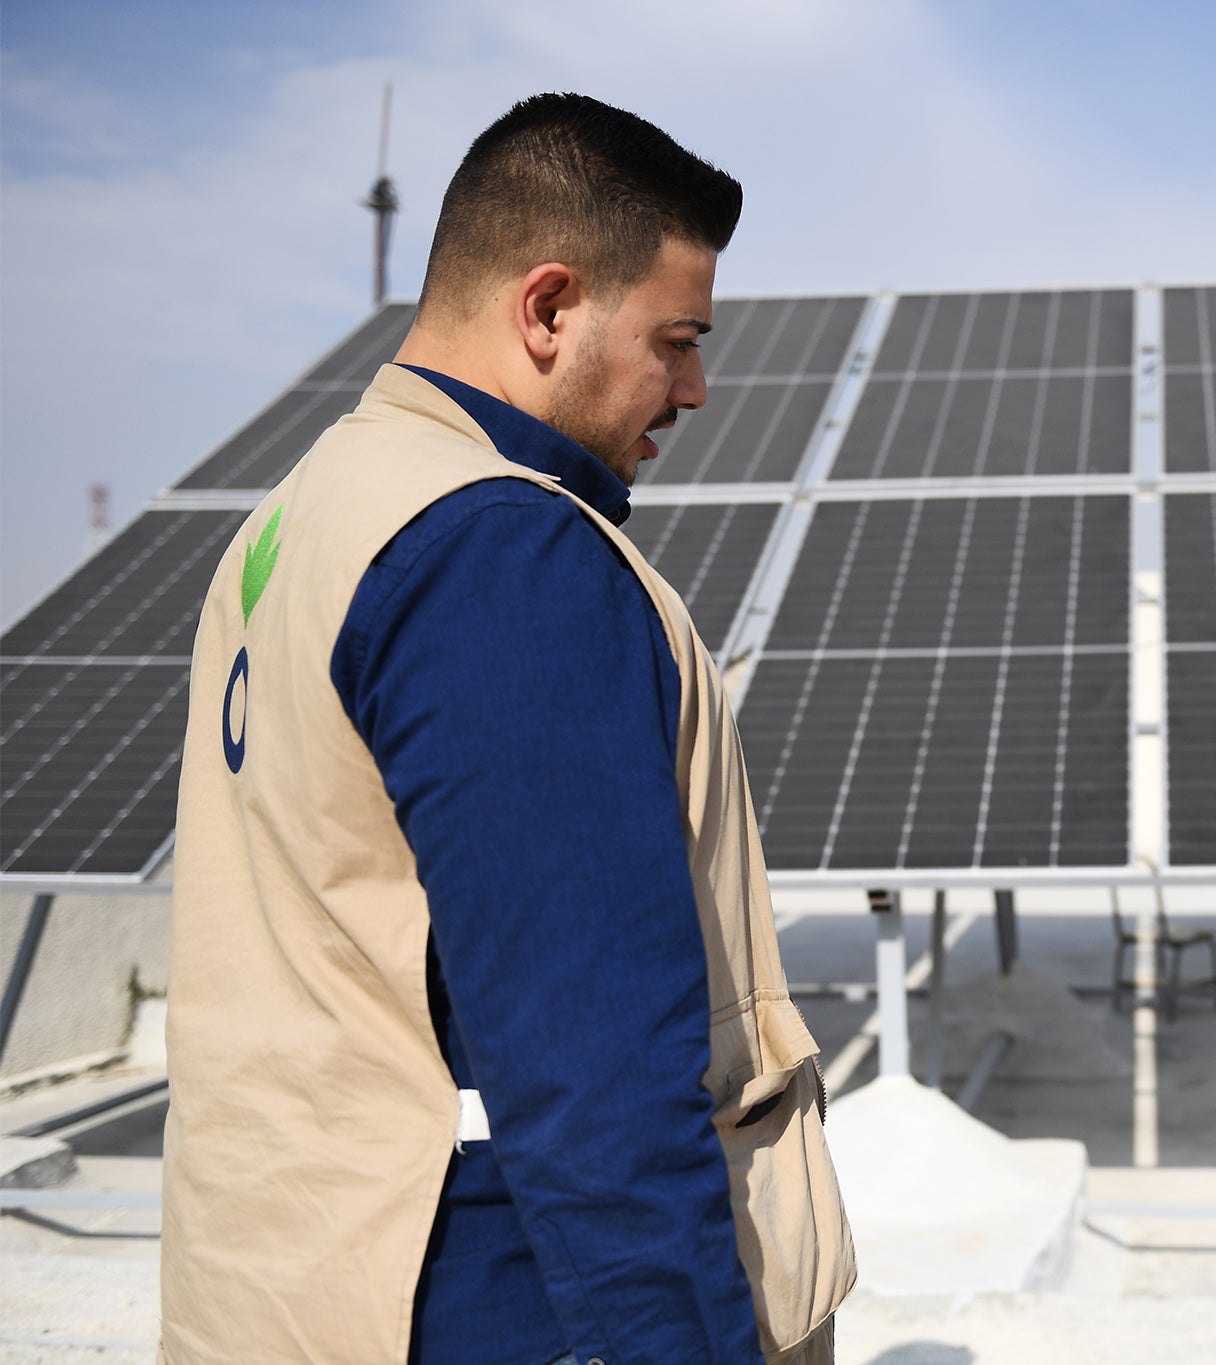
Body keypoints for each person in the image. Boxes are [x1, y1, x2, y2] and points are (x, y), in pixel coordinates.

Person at [162, 94, 853, 1365]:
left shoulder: (300, 515)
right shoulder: (499, 552)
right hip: (502, 1295)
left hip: (304, 1288)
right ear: (546, 307)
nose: (697, 387)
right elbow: (597, 1068)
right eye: (676, 339)